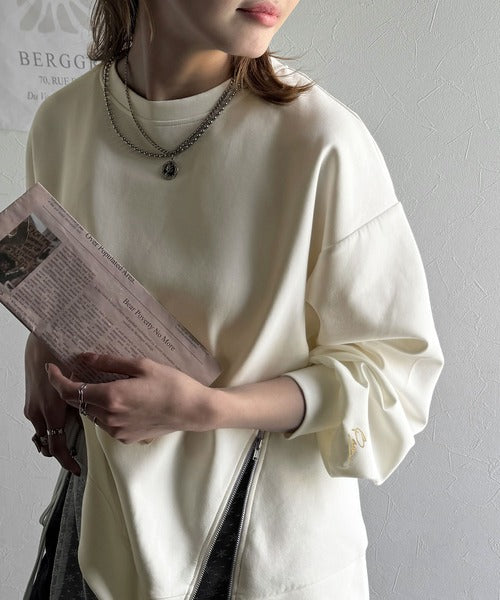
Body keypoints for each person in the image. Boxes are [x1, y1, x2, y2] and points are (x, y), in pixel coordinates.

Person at [23, 1, 444, 598]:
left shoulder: (321, 143)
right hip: (97, 537)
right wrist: (41, 347)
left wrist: (209, 410)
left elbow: (391, 382)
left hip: (257, 552)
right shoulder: (61, 123)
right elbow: (60, 275)